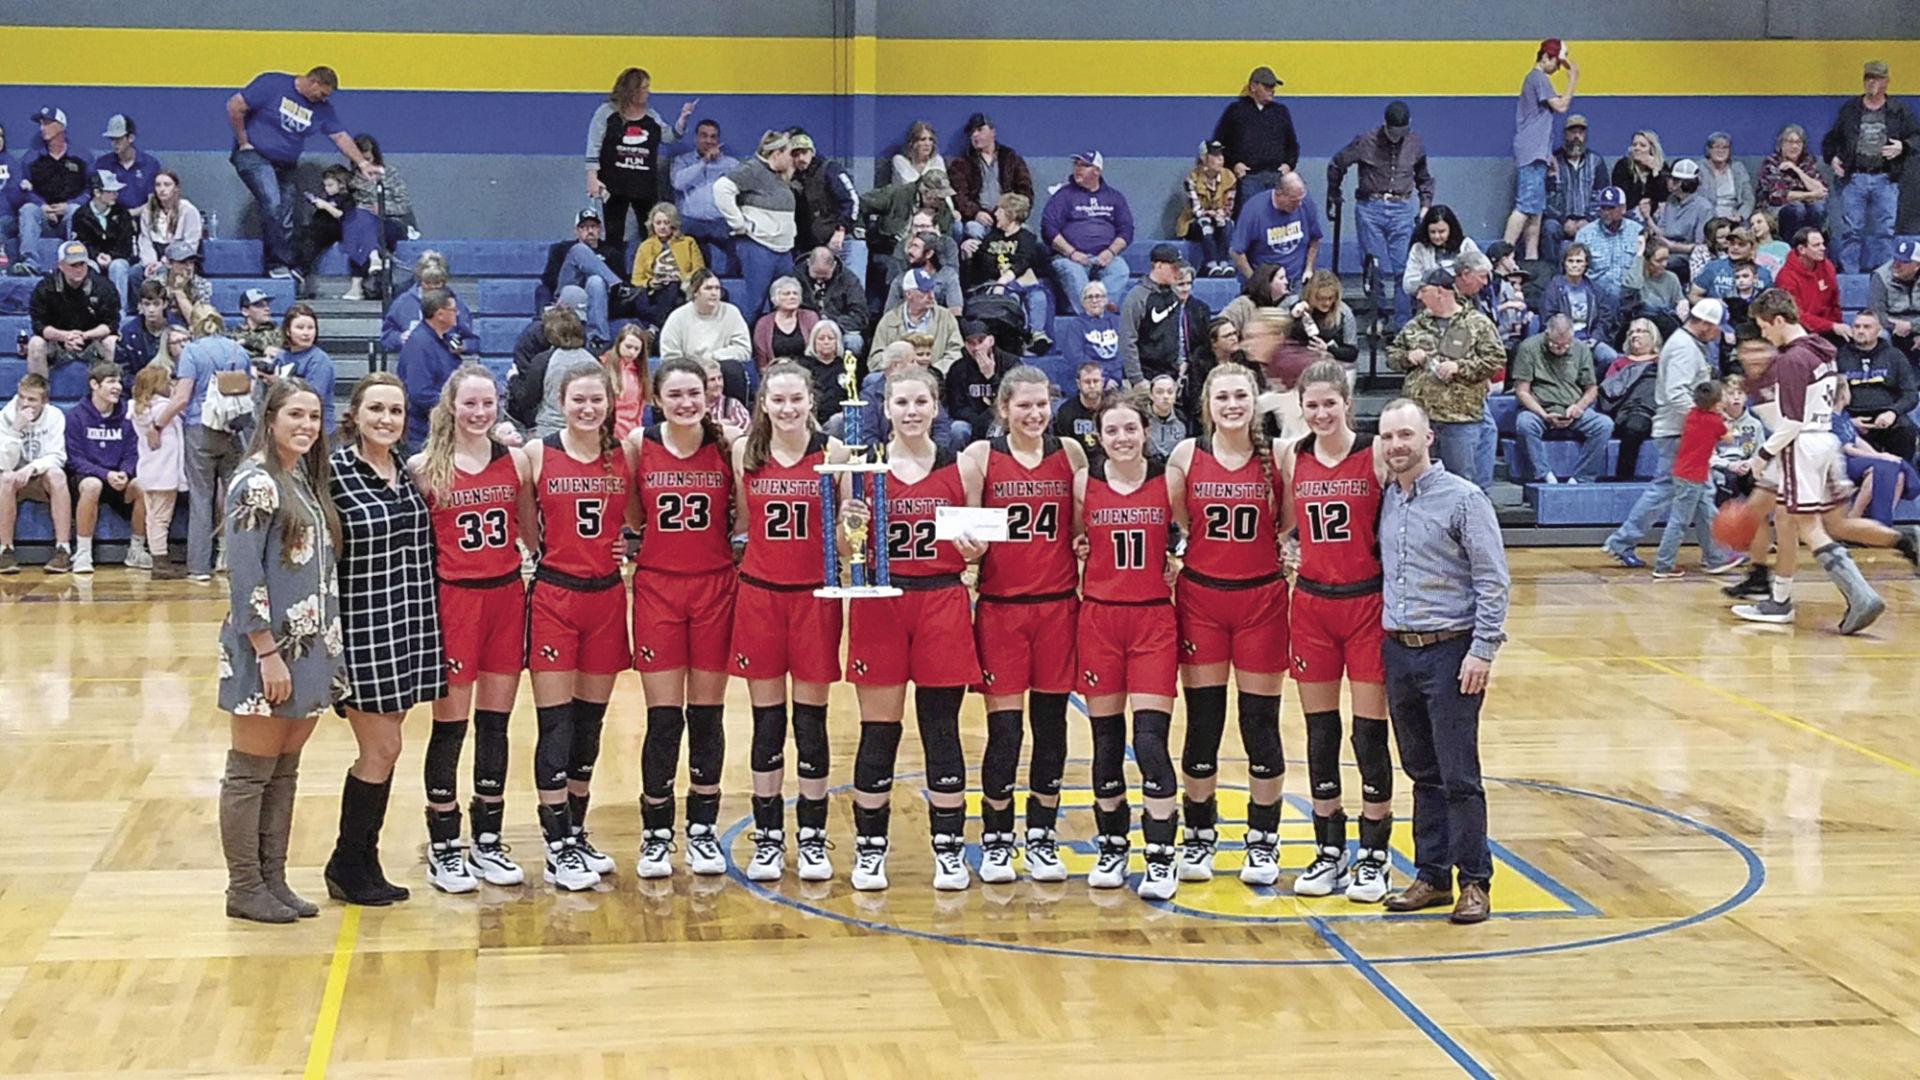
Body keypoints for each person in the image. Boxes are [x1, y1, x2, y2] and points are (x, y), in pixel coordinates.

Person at [838, 365, 989, 891]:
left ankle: (948, 850)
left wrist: (976, 548)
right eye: (901, 403)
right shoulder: (863, 467)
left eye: (920, 402)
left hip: (942, 600)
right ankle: (870, 849)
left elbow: (978, 538)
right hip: (882, 601)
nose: (910, 411)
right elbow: (845, 549)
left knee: (941, 731)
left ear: (935, 406)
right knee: (879, 730)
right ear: (886, 409)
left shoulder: (962, 466)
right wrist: (849, 527)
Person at [1372, 398, 1509, 925]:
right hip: (1399, 650)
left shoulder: (1464, 499)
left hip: (1452, 651)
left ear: (1429, 437)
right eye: (1388, 437)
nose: (1397, 445)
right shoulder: (1389, 498)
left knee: (1458, 774)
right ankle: (1431, 874)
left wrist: (1483, 649)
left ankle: (1475, 880)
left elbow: (1493, 579)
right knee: (1421, 771)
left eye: (1406, 435)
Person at [216, 377, 343, 922]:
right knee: (250, 770)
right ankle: (244, 886)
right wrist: (266, 650)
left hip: (309, 645)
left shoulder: (303, 479)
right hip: (266, 649)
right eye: (295, 415)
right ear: (271, 418)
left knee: (284, 768)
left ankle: (274, 879)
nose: (306, 426)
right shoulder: (255, 483)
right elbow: (244, 573)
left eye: (314, 417)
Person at [407, 366, 533, 893]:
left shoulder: (516, 460)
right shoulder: (423, 466)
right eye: (470, 404)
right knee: (450, 725)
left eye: (488, 404)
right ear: (451, 406)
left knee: (496, 723)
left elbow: (533, 528)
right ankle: (443, 845)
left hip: (507, 597)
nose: (480, 413)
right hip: (453, 602)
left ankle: (487, 839)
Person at [321, 373, 446, 906]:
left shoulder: (407, 470)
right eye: (376, 409)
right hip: (362, 631)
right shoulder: (333, 474)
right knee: (382, 747)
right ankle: (347, 860)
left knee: (387, 751)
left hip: (410, 626)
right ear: (356, 413)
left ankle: (362, 860)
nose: (387, 419)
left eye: (395, 410)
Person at [957, 367, 1086, 881]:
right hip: (1001, 608)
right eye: (1024, 406)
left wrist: (1083, 546)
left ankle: (1042, 835)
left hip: (1058, 606)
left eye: (1042, 404)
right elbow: (964, 531)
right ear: (1003, 409)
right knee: (1004, 731)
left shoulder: (1071, 455)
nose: (1034, 414)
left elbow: (1081, 530)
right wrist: (969, 546)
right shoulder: (980, 459)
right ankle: (995, 837)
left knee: (1051, 727)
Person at [1163, 364, 1289, 886]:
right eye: (1222, 397)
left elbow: (1287, 526)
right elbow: (1181, 525)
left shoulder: (1279, 457)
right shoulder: (1185, 456)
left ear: (1255, 400)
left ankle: (1263, 839)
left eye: (1241, 395)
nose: (1232, 404)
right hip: (1202, 599)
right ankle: (1199, 833)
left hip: (1261, 599)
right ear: (1207, 405)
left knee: (1260, 723)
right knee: (1204, 722)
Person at [1278, 361, 1396, 902]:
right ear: (1300, 408)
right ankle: (1329, 849)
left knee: (1369, 734)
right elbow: (1281, 524)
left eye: (1330, 403)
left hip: (1367, 603)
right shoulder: (1291, 457)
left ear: (1347, 403)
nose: (1321, 413)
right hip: (1312, 605)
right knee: (1320, 732)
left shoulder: (1375, 454)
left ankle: (1374, 854)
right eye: (1312, 405)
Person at [729, 361, 846, 880]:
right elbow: (741, 523)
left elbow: (848, 542)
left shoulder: (835, 454)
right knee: (767, 722)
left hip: (816, 597)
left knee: (811, 721)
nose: (787, 408)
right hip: (759, 596)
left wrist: (853, 527)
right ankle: (769, 837)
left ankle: (814, 837)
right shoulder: (744, 453)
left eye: (796, 399)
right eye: (777, 400)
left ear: (810, 401)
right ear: (764, 405)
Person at [626, 358, 740, 879]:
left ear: (708, 394)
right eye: (675, 394)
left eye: (694, 393)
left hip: (716, 585)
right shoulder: (637, 445)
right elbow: (631, 514)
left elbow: (741, 512)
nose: (686, 403)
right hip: (657, 588)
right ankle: (655, 832)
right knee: (664, 716)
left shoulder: (728, 446)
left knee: (707, 714)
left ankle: (702, 829)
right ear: (658, 398)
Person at [523, 364, 633, 889]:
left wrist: (626, 547)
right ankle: (555, 843)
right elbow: (525, 517)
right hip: (556, 594)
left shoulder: (622, 455)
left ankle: (577, 830)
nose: (588, 408)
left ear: (609, 403)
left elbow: (636, 519)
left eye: (596, 400)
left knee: (590, 723)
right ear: (560, 401)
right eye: (578, 400)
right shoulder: (537, 453)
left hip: (608, 595)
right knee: (556, 723)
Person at [1074, 391, 1181, 898]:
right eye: (1111, 431)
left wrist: (1177, 558)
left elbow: (1190, 533)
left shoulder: (1168, 481)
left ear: (1145, 431)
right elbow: (1074, 539)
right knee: (1105, 741)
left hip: (1153, 621)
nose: (1121, 438)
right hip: (1099, 619)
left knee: (1152, 740)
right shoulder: (1084, 483)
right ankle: (1112, 845)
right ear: (1099, 436)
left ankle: (1161, 855)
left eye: (1130, 429)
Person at [1734, 288, 1891, 632]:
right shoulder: (1822, 349)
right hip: (1826, 440)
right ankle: (1780, 599)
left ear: (1778, 320)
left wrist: (1762, 454)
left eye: (1764, 327)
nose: (1764, 335)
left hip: (1802, 445)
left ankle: (1860, 594)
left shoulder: (1792, 359)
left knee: (1808, 527)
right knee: (1802, 521)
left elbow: (1791, 421)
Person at [1603, 301, 1738, 570]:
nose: (1717, 335)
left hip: (1681, 431)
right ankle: (1623, 541)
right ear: (1704, 324)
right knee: (1668, 490)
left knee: (1697, 492)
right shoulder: (1684, 349)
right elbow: (1678, 395)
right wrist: (1705, 423)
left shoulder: (1686, 344)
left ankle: (1716, 554)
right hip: (1680, 432)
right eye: (1715, 329)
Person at [227, 67, 380, 280]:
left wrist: (362, 163)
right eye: (323, 93)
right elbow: (235, 106)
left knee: (287, 215)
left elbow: (340, 137)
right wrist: (243, 142)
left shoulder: (322, 109)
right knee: (273, 202)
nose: (324, 99)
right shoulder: (272, 84)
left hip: (286, 164)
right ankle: (275, 263)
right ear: (313, 82)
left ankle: (283, 263)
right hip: (254, 156)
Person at [1386, 269, 1505, 491]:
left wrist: (1460, 367)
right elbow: (1392, 354)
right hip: (1420, 419)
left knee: (1460, 485)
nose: (1419, 297)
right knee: (1417, 482)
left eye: (1423, 291)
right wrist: (1406, 357)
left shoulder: (1477, 323)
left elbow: (1496, 359)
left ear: (1440, 291)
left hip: (1460, 418)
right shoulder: (1416, 324)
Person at [164, 303, 253, 582]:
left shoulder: (191, 352)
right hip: (234, 428)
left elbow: (181, 398)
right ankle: (238, 561)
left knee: (201, 499)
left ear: (194, 325)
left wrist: (158, 423)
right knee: (236, 498)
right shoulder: (239, 350)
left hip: (200, 427)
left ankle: (199, 568)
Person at [1328, 101, 1432, 323]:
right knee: (1374, 266)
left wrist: (1425, 206)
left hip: (1402, 206)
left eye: (1401, 132)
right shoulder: (1365, 141)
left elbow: (1424, 177)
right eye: (1393, 132)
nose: (1397, 137)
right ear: (1385, 126)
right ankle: (1380, 315)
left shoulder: (1415, 144)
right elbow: (1337, 164)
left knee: (1404, 268)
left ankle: (1401, 324)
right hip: (1370, 206)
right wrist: (1333, 193)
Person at [1823, 60, 1917, 274]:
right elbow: (1832, 139)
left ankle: (1884, 275)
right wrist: (1833, 159)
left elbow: (1916, 136)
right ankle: (1850, 276)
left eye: (1877, 78)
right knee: (1851, 230)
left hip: (1886, 177)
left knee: (1885, 230)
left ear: (1887, 82)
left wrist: (1903, 146)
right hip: (1855, 177)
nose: (1872, 83)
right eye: (1868, 78)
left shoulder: (1898, 110)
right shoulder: (1850, 109)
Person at [584, 67, 691, 248]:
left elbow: (668, 137)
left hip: (644, 185)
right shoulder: (606, 113)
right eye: (644, 88)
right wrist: (592, 177)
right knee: (614, 233)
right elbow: (593, 145)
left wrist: (682, 120)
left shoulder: (651, 115)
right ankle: (614, 274)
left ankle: (648, 273)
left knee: (649, 233)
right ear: (631, 90)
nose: (648, 92)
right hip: (614, 185)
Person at [63, 360, 145, 573]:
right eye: (110, 381)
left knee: (143, 485)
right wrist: (104, 474)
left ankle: (136, 549)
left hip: (118, 477)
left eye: (119, 381)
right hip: (88, 477)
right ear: (94, 385)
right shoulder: (76, 415)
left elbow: (132, 451)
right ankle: (83, 552)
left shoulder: (127, 414)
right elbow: (75, 459)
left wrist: (125, 473)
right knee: (92, 486)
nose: (117, 387)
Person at [1510, 316, 1612, 483]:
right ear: (1546, 334)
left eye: (1565, 345)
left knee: (1604, 425)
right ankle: (1544, 474)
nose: (1561, 349)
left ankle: (1582, 477)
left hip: (1572, 408)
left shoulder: (1581, 349)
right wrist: (1543, 414)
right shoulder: (1528, 347)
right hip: (1540, 408)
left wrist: (1579, 407)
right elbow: (1522, 391)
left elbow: (1591, 388)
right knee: (1524, 423)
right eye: (1555, 344)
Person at [1650, 380, 1731, 579]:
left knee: (1707, 515)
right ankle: (1663, 565)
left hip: (1687, 472)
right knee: (1679, 521)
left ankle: (1715, 558)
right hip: (1693, 476)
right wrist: (1727, 419)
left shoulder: (1693, 414)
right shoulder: (1715, 422)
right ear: (1717, 403)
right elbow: (1728, 437)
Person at [1507, 40, 1579, 260]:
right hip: (1531, 153)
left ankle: (1531, 257)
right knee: (1524, 206)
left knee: (1536, 212)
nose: (1558, 68)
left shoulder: (1535, 80)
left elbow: (1541, 120)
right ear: (1546, 57)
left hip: (1538, 153)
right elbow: (1561, 106)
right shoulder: (1538, 77)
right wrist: (1573, 77)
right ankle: (1504, 255)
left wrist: (1548, 155)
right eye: (1556, 63)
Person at [714, 131, 797, 322]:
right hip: (759, 246)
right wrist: (737, 222)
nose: (791, 159)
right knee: (754, 304)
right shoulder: (752, 169)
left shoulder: (778, 174)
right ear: (776, 154)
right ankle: (745, 349)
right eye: (789, 154)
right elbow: (721, 188)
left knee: (784, 304)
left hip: (783, 249)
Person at [0, 373, 72, 574]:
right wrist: (16, 430)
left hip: (41, 478)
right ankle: (5, 550)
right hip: (15, 479)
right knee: (4, 478)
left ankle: (63, 549)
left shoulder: (55, 416)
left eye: (31, 399)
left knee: (57, 475)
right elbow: (4, 463)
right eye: (21, 397)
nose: (25, 404)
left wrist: (32, 468)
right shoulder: (5, 416)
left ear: (44, 401)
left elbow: (58, 456)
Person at [1042, 150, 1134, 303]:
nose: (1078, 169)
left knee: (1120, 270)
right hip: (1070, 258)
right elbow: (1048, 228)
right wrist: (1071, 253)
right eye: (1076, 164)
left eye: (1084, 165)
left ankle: (1100, 316)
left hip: (1105, 256)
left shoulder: (1114, 197)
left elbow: (1126, 230)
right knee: (1073, 272)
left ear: (1097, 170)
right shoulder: (1063, 195)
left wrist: (1111, 252)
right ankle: (1089, 318)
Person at [964, 193, 1052, 348]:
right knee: (1011, 298)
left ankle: (1038, 335)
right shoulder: (992, 236)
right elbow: (982, 262)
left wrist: (1005, 279)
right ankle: (1019, 336)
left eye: (999, 210)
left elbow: (1024, 261)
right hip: (994, 283)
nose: (995, 214)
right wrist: (969, 250)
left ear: (1010, 214)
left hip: (1020, 281)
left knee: (1038, 296)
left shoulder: (1027, 237)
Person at [1835, 310, 1918, 462]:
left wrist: (1893, 412)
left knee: (1907, 430)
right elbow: (1829, 396)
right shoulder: (1839, 356)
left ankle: (1902, 474)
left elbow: (1911, 394)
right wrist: (1847, 420)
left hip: (1887, 416)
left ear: (1879, 330)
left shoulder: (1895, 356)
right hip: (1852, 417)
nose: (1860, 331)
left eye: (1867, 327)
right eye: (1857, 326)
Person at [27, 240, 120, 378]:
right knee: (35, 344)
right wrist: (64, 336)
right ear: (61, 265)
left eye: (82, 264)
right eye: (73, 265)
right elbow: (39, 325)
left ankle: (114, 392)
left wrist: (85, 335)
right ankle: (38, 395)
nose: (78, 269)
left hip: (92, 342)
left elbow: (111, 324)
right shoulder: (45, 288)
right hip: (57, 343)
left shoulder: (104, 287)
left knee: (112, 343)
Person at [1212, 66, 1298, 212]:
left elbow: (1292, 144)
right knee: (1250, 217)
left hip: (1276, 176)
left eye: (1273, 86)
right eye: (1267, 86)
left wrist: (1288, 165)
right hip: (1248, 177)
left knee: (1278, 221)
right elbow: (1220, 143)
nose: (1272, 90)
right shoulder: (1236, 111)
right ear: (1253, 87)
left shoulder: (1281, 112)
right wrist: (1234, 164)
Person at [540, 208, 630, 345]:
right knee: (579, 250)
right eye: (584, 227)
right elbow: (548, 280)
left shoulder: (611, 252)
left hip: (598, 299)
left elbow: (616, 295)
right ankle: (614, 282)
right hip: (567, 293)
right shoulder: (562, 249)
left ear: (599, 229)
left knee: (597, 281)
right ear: (576, 231)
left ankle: (598, 338)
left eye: (593, 226)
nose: (589, 231)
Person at [129, 362, 184, 578]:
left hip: (150, 469)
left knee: (154, 517)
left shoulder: (140, 409)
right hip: (164, 471)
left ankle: (159, 558)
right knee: (160, 518)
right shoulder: (162, 408)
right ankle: (160, 561)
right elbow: (180, 404)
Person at [787, 130, 862, 286]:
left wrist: (841, 229)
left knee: (852, 287)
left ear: (812, 152)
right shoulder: (793, 181)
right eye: (796, 154)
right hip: (815, 245)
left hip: (844, 240)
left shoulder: (831, 169)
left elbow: (852, 200)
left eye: (804, 152)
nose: (801, 158)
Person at [949, 112, 1035, 246]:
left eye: (979, 130)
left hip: (1008, 216)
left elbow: (1025, 190)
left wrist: (1011, 214)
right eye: (972, 133)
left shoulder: (1010, 158)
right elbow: (959, 195)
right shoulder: (962, 162)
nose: (975, 135)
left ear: (992, 132)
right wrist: (976, 213)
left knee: (1027, 233)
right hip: (979, 219)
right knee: (973, 229)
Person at [658, 268, 754, 386]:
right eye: (708, 288)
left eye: (717, 288)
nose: (714, 293)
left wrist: (713, 357)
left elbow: (744, 349)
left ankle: (731, 404)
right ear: (695, 292)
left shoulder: (732, 312)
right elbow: (670, 357)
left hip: (721, 368)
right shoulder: (678, 317)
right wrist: (696, 366)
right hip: (689, 370)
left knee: (732, 369)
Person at [18, 107, 91, 260]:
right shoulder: (31, 158)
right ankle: (30, 261)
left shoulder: (81, 157)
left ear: (61, 126)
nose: (42, 128)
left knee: (75, 210)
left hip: (68, 215)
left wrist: (69, 205)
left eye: (47, 123)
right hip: (43, 216)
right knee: (28, 209)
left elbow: (91, 189)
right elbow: (24, 189)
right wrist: (41, 205)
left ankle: (76, 260)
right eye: (41, 124)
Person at [1120, 245, 1198, 387]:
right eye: (1173, 268)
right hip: (1145, 377)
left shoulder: (1174, 294)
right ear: (1159, 266)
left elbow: (1176, 331)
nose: (1177, 272)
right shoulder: (1137, 297)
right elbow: (1127, 339)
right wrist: (1137, 379)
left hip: (1171, 376)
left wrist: (1180, 363)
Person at [395, 289, 464, 449]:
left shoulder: (443, 340)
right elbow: (419, 393)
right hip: (421, 435)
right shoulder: (420, 345)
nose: (457, 313)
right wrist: (457, 404)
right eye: (453, 310)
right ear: (440, 314)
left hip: (438, 430)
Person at [1231, 171, 1322, 286]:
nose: (1299, 204)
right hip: (1267, 281)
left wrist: (1309, 269)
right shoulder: (1254, 210)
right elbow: (1237, 251)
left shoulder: (1305, 203)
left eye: (1301, 199)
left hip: (1297, 278)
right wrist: (1255, 282)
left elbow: (1315, 238)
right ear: (1279, 194)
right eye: (1294, 200)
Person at [526, 307, 604, 439]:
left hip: (549, 433)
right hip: (588, 431)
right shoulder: (595, 360)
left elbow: (528, 400)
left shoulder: (543, 360)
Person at [672, 119, 739, 270]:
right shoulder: (683, 160)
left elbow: (742, 188)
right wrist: (704, 162)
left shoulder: (731, 164)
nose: (709, 141)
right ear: (696, 138)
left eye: (713, 137)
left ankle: (730, 287)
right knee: (697, 258)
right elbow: (678, 183)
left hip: (721, 222)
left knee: (740, 249)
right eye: (704, 136)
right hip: (691, 221)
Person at [380, 252, 475, 354]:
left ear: (444, 281)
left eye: (437, 283)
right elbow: (386, 337)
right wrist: (400, 338)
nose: (433, 287)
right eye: (428, 283)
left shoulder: (457, 304)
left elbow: (474, 341)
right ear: (420, 280)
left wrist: (463, 346)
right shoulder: (402, 303)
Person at [869, 268, 961, 373]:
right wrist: (902, 367)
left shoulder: (946, 317)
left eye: (931, 289)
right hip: (897, 380)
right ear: (909, 294)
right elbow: (875, 359)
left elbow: (956, 352)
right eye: (925, 292)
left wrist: (934, 371)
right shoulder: (889, 320)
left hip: (937, 379)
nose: (931, 296)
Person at [1543, 113, 1608, 260]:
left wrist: (1588, 220)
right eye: (1573, 132)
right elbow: (1547, 198)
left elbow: (1602, 197)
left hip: (1589, 221)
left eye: (1581, 132)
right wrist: (1564, 220)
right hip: (1561, 222)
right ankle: (1552, 273)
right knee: (1549, 227)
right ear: (1565, 134)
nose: (1577, 137)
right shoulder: (1554, 161)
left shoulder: (1596, 161)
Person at [1540, 243, 1618, 364]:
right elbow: (1547, 318)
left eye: (1579, 261)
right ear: (1564, 263)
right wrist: (1566, 339)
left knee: (1611, 358)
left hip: (1589, 340)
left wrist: (1595, 338)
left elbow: (1604, 319)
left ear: (1586, 264)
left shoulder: (1595, 289)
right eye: (1570, 261)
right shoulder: (1554, 288)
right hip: (1563, 341)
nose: (1574, 265)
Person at [69, 172, 135, 310]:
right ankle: (91, 310)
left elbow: (126, 243)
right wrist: (95, 255)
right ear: (97, 193)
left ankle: (118, 310)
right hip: (92, 257)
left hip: (116, 257)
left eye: (116, 191)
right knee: (88, 267)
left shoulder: (122, 213)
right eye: (111, 191)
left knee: (119, 266)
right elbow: (81, 243)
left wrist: (112, 256)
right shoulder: (81, 215)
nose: (115, 195)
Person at [274, 303, 337, 430]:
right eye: (300, 327)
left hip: (317, 428)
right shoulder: (281, 357)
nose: (306, 333)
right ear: (288, 331)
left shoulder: (319, 360)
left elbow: (312, 398)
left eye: (310, 328)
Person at [1774, 227, 1845, 338]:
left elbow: (1834, 303)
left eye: (1823, 244)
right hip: (1800, 333)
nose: (1823, 248)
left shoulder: (1827, 266)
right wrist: (1831, 326)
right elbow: (1796, 315)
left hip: (1828, 330)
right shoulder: (1786, 277)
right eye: (1816, 245)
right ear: (1802, 249)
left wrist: (1835, 326)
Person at [945, 322, 1007, 448]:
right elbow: (957, 407)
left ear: (991, 341)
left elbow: (1012, 399)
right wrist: (981, 422)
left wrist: (991, 377)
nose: (976, 347)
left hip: (1003, 421)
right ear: (965, 345)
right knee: (957, 429)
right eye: (971, 343)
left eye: (980, 341)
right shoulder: (958, 368)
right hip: (972, 422)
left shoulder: (1009, 362)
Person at [799, 245, 868, 358]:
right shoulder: (797, 276)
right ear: (808, 263)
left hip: (840, 328)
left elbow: (860, 313)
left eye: (824, 276)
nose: (819, 280)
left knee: (854, 341)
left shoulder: (849, 280)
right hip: (807, 328)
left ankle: (849, 372)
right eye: (816, 275)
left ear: (834, 266)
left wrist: (833, 325)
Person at [133, 170, 202, 281]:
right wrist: (150, 263)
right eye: (158, 185)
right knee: (134, 274)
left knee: (161, 273)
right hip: (154, 256)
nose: (162, 189)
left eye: (167, 185)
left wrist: (164, 263)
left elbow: (191, 243)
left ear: (176, 188)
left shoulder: (188, 210)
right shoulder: (148, 210)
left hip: (179, 259)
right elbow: (145, 240)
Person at [1402, 204, 1479, 300]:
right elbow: (1408, 284)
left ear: (1451, 229)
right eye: (1432, 232)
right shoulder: (1419, 249)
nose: (1437, 236)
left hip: (1463, 300)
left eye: (1441, 231)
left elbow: (1483, 272)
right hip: (1430, 302)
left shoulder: (1466, 245)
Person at [1653, 159, 1711, 279]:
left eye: (1671, 179)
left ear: (1680, 183)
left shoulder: (1704, 208)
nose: (1667, 182)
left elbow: (1700, 247)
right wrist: (1648, 219)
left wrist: (1672, 246)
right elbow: (1663, 229)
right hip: (1664, 249)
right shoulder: (1671, 200)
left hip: (1684, 256)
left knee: (1657, 263)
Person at [1058, 280, 1123, 387]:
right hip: (1091, 381)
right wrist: (1104, 379)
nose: (1094, 300)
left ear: (1105, 300)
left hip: (1117, 380)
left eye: (1098, 296)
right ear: (1083, 303)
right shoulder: (1076, 325)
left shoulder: (1117, 322)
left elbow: (1123, 353)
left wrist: (1116, 378)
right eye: (1089, 297)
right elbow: (1076, 358)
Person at [1691, 224, 1776, 304]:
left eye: (1741, 244)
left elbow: (1770, 304)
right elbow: (1693, 296)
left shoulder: (1764, 274)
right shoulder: (1713, 267)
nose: (1735, 247)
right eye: (1732, 243)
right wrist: (1714, 304)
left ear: (1753, 248)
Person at [753, 276, 819, 371]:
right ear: (775, 298)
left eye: (795, 294)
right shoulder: (763, 323)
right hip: (775, 373)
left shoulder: (810, 317)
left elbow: (817, 352)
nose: (792, 297)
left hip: (807, 371)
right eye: (786, 294)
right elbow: (762, 363)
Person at [1869, 236, 1920, 360]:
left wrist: (1914, 327)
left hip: (1916, 324)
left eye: (1904, 261)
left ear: (1917, 265)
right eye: (1896, 258)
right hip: (1892, 327)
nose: (1897, 264)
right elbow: (1876, 312)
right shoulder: (1880, 276)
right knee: (1880, 335)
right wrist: (1895, 327)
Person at [1611, 129, 1670, 224]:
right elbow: (1624, 197)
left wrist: (1655, 172)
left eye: (1642, 145)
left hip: (1654, 211)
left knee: (1663, 208)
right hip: (1630, 212)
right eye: (1634, 145)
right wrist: (1644, 201)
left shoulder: (1662, 167)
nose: (1637, 148)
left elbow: (1665, 196)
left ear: (1651, 149)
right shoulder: (1623, 166)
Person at [601, 324, 650, 440]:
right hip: (609, 434)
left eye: (636, 349)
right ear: (618, 344)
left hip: (632, 434)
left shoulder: (641, 372)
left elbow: (639, 411)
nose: (632, 352)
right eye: (628, 346)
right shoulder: (603, 366)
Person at [1697, 132, 1755, 221]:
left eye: (1725, 147)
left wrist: (1741, 215)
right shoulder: (1699, 169)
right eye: (1717, 147)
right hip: (1707, 218)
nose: (1721, 151)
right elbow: (1695, 200)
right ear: (1708, 150)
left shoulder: (1738, 168)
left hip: (1733, 217)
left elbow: (1748, 199)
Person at [1053, 361, 1108, 455]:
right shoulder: (1066, 412)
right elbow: (1063, 447)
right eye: (1087, 382)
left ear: (1102, 382)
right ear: (1078, 384)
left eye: (1096, 381)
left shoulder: (1112, 408)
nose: (1092, 386)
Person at [1146, 375, 1188, 459]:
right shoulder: (1142, 419)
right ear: (1151, 395)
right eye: (1159, 392)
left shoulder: (1183, 419)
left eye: (1170, 392)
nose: (1165, 396)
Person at [891, 120, 945, 185]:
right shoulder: (900, 161)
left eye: (931, 139)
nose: (928, 144)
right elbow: (908, 186)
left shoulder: (937, 161)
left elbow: (943, 187)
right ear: (913, 143)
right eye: (923, 139)